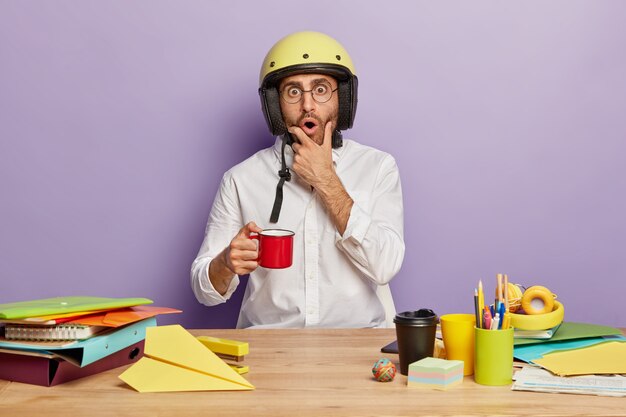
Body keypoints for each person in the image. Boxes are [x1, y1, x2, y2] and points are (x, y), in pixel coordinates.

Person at [191, 31, 405, 328]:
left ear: (342, 98)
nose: (307, 105)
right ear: (275, 104)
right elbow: (204, 291)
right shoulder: (241, 179)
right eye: (293, 91)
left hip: (357, 343)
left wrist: (327, 180)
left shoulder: (378, 167)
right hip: (269, 346)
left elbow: (386, 266)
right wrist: (226, 263)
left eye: (320, 90)